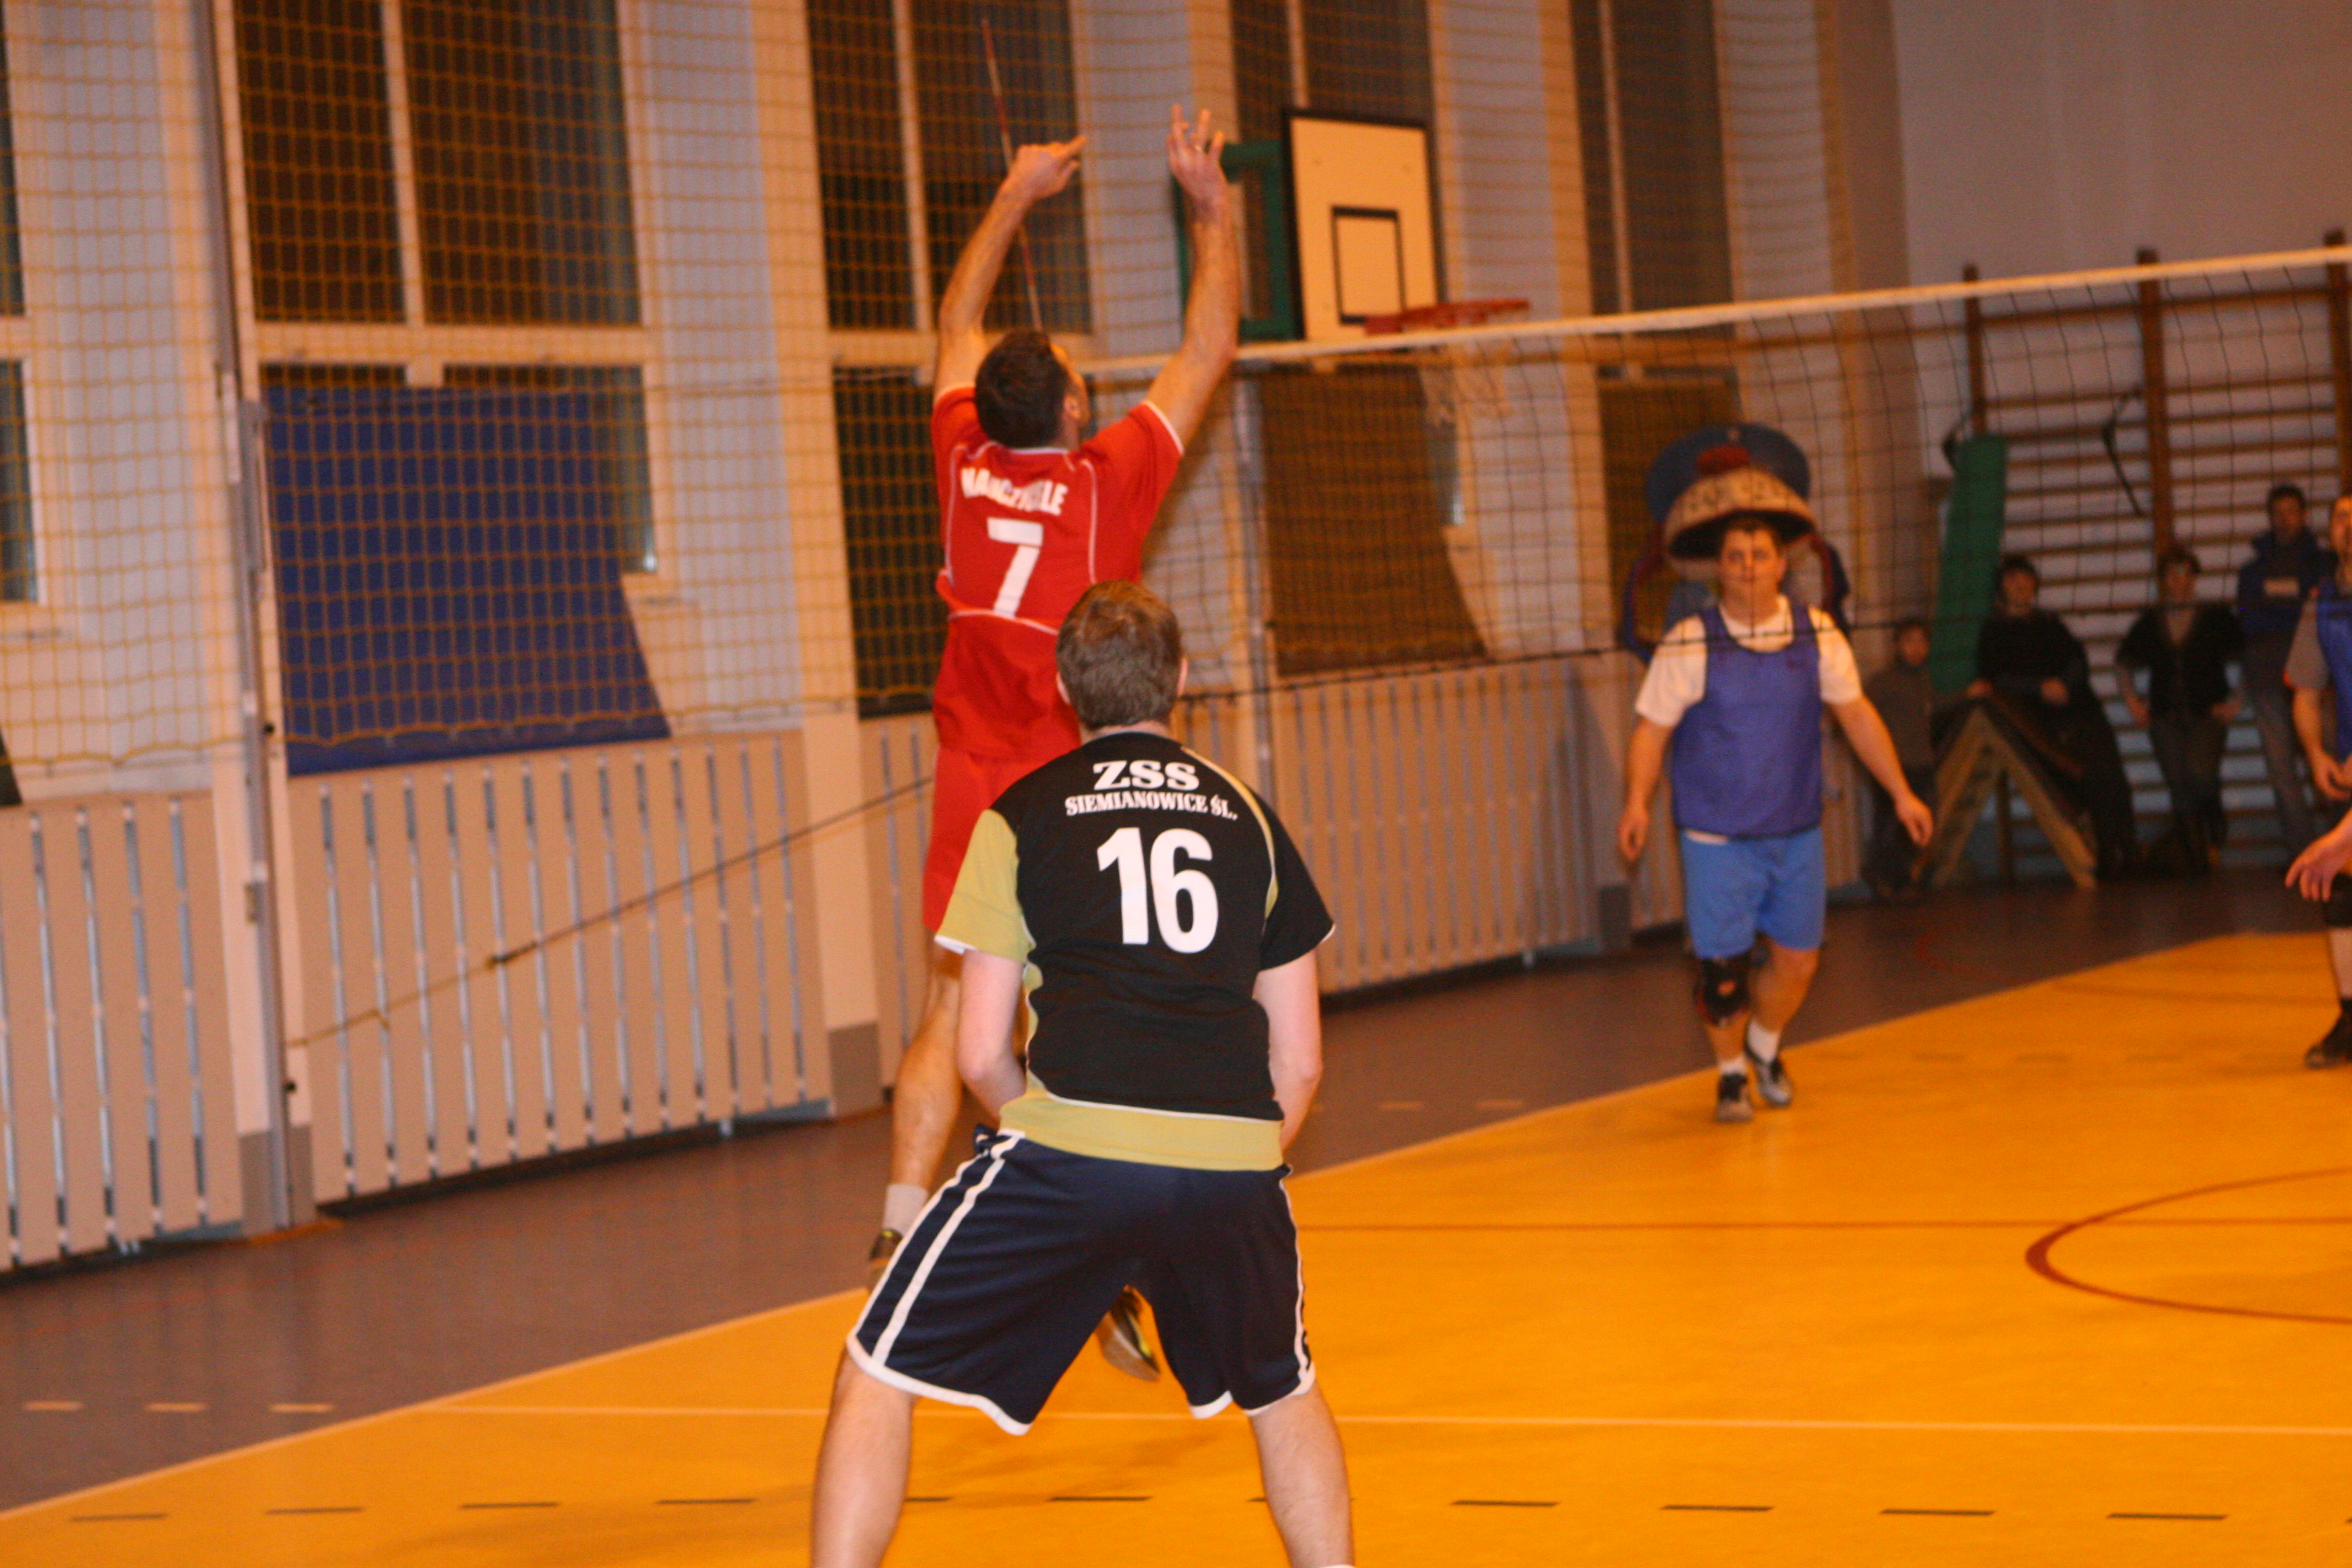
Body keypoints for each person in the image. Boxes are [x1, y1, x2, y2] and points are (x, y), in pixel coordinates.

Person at [811, 583, 1353, 1568]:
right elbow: (1302, 1060)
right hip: (1232, 1161)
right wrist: (1226, 1163)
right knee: (1284, 1391)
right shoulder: (1251, 818)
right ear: (1181, 678)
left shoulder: (1019, 816)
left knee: (876, 1369)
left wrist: (1068, 1147)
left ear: (1064, 689)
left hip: (1071, 1156)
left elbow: (980, 1050)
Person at [871, 106, 1241, 1384]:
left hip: (966, 781)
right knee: (1080, 1018)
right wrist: (1210, 204)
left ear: (986, 406)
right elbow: (1208, 346)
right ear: (1075, 405)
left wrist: (1013, 194)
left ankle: (901, 1221)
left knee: (947, 1010)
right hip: (1063, 800)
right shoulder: (1105, 479)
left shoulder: (957, 456)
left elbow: (952, 323)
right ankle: (1093, 1240)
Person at [1617, 470, 1933, 1124]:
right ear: (1720, 569)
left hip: (1794, 830)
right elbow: (1651, 731)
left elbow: (1858, 716)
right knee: (1722, 977)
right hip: (1715, 836)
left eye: (1759, 555)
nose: (1748, 567)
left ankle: (1763, 1046)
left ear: (1781, 565)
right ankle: (1731, 1076)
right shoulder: (1693, 640)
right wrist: (1637, 802)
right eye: (1735, 557)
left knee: (1798, 963)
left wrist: (1901, 792)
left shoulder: (1816, 634)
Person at [1968, 554, 2139, 877]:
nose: (2020, 585)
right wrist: (2039, 688)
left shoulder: (2051, 623)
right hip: (2043, 722)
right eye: (2012, 579)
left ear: (2035, 584)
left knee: (2113, 776)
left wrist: (2064, 684)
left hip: (2083, 709)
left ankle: (2128, 852)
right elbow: (1994, 678)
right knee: (2085, 778)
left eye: (2025, 578)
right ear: (2002, 587)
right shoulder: (1993, 632)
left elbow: (2078, 660)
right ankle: (2107, 855)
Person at [2116, 547, 2243, 869]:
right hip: (2164, 715)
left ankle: (2212, 809)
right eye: (2171, 574)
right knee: (2177, 781)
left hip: (2207, 713)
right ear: (2162, 580)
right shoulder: (2151, 621)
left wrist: (2238, 700)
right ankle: (2197, 854)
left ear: (2195, 577)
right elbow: (2123, 661)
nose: (2178, 581)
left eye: (2185, 573)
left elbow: (2249, 657)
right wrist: (2132, 701)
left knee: (2200, 774)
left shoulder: (2215, 617)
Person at [2282, 492, 2352, 1067]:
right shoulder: (2322, 603)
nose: (2351, 527)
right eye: (2342, 518)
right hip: (2348, 770)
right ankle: (2351, 1018)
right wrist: (2315, 753)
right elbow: (2306, 692)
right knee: (2342, 893)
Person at [2237, 483, 2333, 852]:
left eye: (2292, 511)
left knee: (2329, 761)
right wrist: (2294, 606)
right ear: (2270, 517)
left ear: (2304, 515)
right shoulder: (2252, 570)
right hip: (2266, 674)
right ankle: (2302, 853)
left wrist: (2278, 607)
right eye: (2278, 512)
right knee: (2281, 770)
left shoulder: (2324, 564)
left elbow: (2319, 614)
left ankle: (2341, 853)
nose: (2284, 519)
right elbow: (2249, 621)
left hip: (2316, 677)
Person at [1861, 616, 1941, 897]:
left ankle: (1907, 877)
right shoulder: (1884, 682)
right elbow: (1860, 714)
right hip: (1894, 766)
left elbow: (1936, 707)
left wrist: (1967, 694)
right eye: (1909, 642)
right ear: (1896, 646)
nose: (1916, 649)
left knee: (1922, 821)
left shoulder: (1924, 680)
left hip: (1922, 762)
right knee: (1890, 825)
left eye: (1922, 642)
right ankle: (1886, 877)